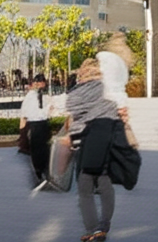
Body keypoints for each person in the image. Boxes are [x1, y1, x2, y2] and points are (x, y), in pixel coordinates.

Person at [66, 58, 122, 242]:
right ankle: (102, 227)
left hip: (85, 145)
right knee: (105, 186)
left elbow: (71, 118)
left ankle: (93, 230)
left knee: (85, 189)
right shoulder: (108, 90)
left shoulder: (78, 93)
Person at [97, 32, 138, 148]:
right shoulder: (124, 57)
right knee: (121, 128)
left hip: (106, 100)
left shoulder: (105, 57)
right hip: (120, 99)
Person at [19, 73, 52, 184]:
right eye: (41, 83)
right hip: (36, 125)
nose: (43, 85)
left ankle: (42, 174)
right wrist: (22, 134)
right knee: (38, 151)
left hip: (42, 125)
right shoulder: (31, 97)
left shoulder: (41, 95)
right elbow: (24, 115)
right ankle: (40, 174)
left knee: (42, 151)